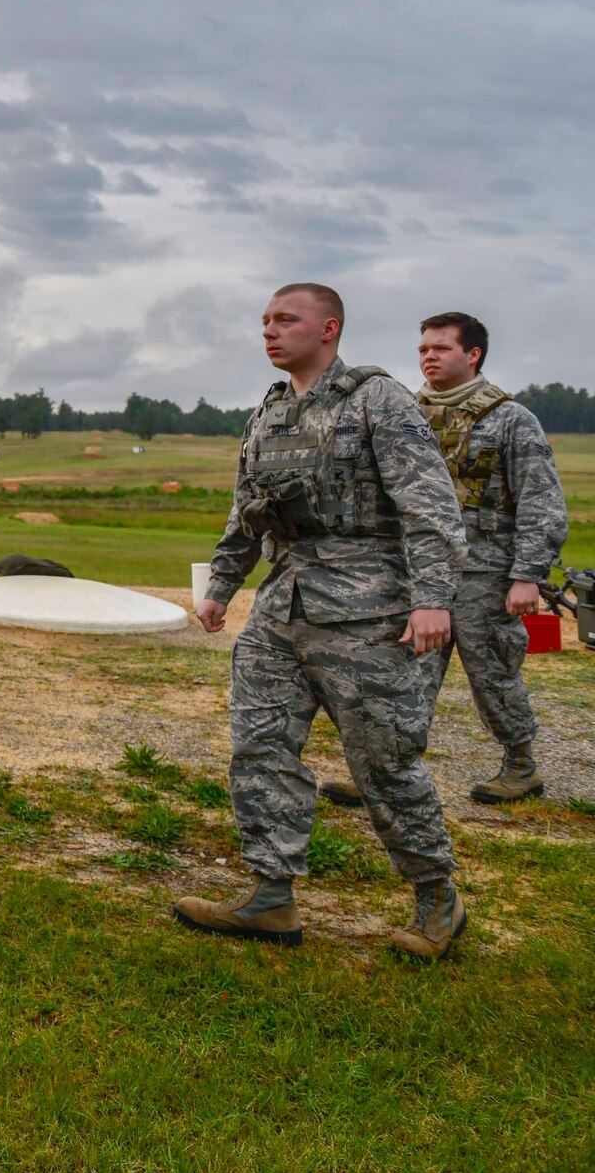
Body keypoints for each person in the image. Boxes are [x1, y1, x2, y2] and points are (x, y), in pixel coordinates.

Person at [180, 283, 469, 960]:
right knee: (261, 749)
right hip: (282, 609)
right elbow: (246, 507)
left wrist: (432, 599)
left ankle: (437, 898)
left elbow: (429, 506)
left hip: (366, 612)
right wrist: (224, 583)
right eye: (265, 321)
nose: (270, 332)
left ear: (329, 328)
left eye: (287, 320)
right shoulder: (271, 412)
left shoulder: (378, 399)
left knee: (384, 762)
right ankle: (271, 897)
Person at [320, 313, 564, 807]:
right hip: (418, 571)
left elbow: (542, 501)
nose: (428, 357)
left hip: (486, 573)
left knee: (493, 673)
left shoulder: (511, 419)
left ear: (472, 355)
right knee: (402, 674)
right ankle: (385, 771)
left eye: (441, 348)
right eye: (423, 349)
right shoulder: (405, 413)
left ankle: (521, 764)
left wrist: (527, 576)